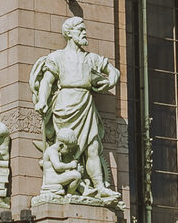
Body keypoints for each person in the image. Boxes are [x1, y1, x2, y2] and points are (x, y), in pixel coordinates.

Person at [30, 17, 120, 202]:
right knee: (67, 149)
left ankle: (100, 187)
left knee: (92, 147)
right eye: (80, 29)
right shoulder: (58, 57)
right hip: (65, 105)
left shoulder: (91, 59)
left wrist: (110, 80)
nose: (84, 33)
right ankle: (69, 186)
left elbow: (114, 71)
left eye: (84, 29)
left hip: (85, 104)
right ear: (69, 33)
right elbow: (47, 81)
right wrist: (42, 100)